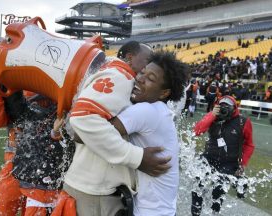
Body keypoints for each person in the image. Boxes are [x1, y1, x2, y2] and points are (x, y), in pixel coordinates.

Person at [52, 41, 171, 216]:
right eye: (147, 60)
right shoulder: (121, 76)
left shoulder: (111, 72)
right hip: (95, 192)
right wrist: (136, 157)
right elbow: (84, 117)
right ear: (130, 58)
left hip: (91, 186)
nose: (151, 65)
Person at [110, 51, 188, 215]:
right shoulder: (159, 111)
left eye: (150, 78)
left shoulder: (147, 111)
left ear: (164, 93)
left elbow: (91, 134)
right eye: (142, 72)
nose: (139, 78)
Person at [191, 95, 255, 216]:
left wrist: (242, 163)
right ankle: (195, 213)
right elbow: (196, 131)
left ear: (234, 108)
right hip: (208, 158)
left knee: (218, 191)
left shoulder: (243, 121)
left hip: (229, 163)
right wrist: (211, 115)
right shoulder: (213, 117)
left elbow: (249, 145)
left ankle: (214, 212)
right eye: (221, 107)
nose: (224, 111)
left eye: (227, 108)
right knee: (197, 187)